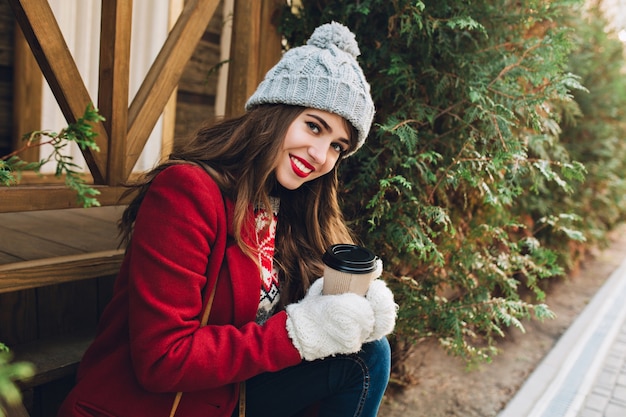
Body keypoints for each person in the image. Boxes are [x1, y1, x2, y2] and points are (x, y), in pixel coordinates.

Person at [58, 21, 397, 417]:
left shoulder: (292, 207)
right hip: (156, 403)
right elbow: (162, 359)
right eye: (313, 126)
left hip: (230, 396)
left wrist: (348, 307)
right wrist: (300, 332)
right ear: (274, 114)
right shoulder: (186, 192)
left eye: (337, 145)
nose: (321, 155)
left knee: (368, 353)